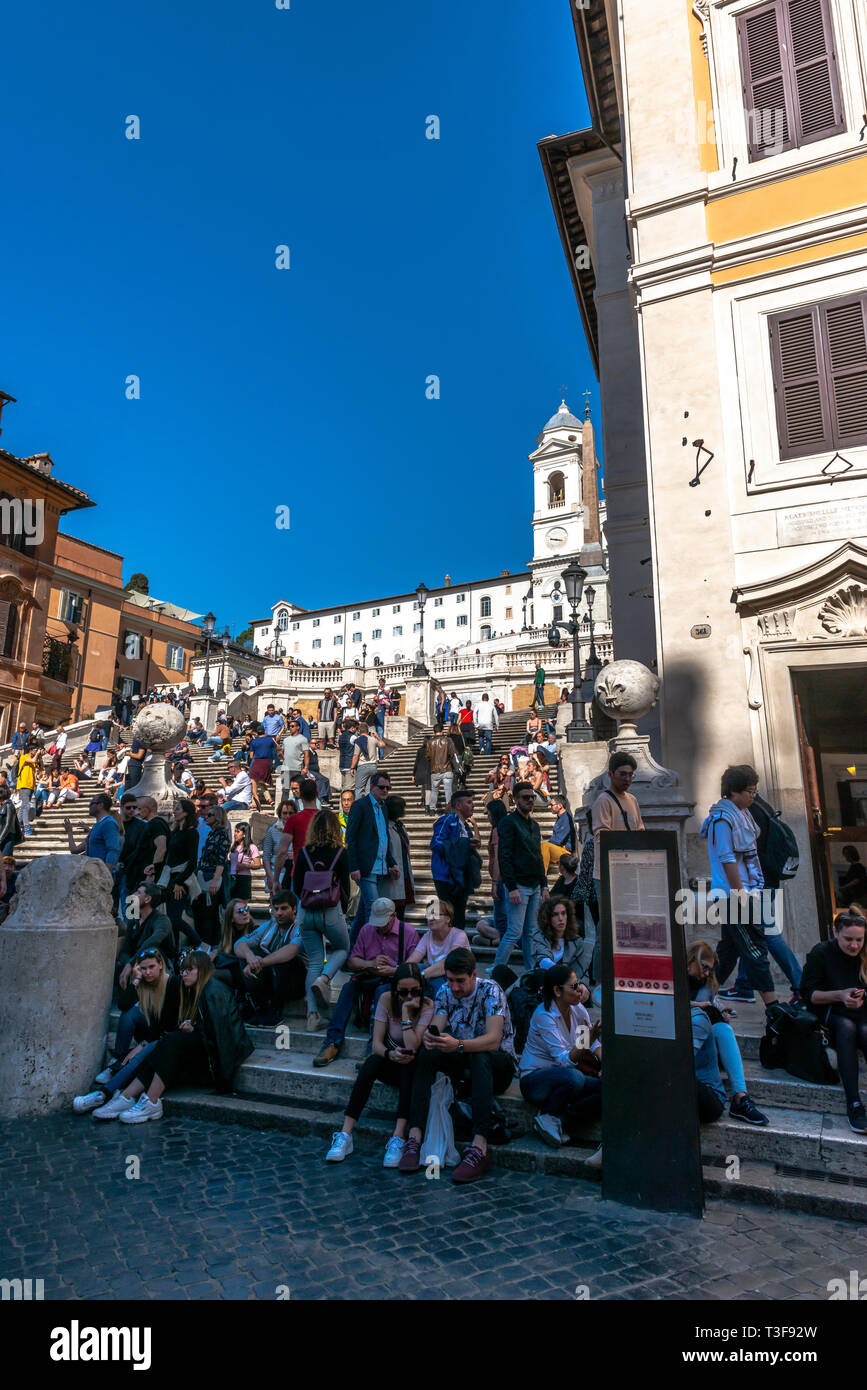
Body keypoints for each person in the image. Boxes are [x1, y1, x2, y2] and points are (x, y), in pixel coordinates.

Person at [398, 947, 517, 1184]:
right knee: (427, 1053)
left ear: (474, 975)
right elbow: (438, 1028)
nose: (455, 987)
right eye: (450, 980)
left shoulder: (491, 991)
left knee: (480, 1054)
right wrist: (433, 1039)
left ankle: (479, 1147)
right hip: (463, 1059)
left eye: (460, 981)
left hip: (498, 1064)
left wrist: (458, 1045)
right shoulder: (444, 992)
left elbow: (493, 1040)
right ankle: (414, 1135)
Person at [92, 951, 253, 1122]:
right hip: (206, 1052)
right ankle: (126, 1096)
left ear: (202, 970)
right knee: (166, 1041)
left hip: (216, 1062)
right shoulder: (200, 989)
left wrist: (223, 1081)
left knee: (172, 1040)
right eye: (182, 970)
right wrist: (194, 1027)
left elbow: (222, 1038)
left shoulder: (214, 991)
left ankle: (151, 1101)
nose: (183, 974)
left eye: (189, 970)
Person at [325, 963, 435, 1166]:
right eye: (403, 992)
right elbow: (376, 1044)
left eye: (415, 991)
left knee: (408, 1062)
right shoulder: (385, 999)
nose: (409, 997)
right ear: (394, 990)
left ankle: (398, 1135)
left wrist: (405, 1015)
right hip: (390, 1058)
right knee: (372, 1062)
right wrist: (389, 1053)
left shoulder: (427, 1006)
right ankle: (345, 1133)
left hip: (412, 1068)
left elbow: (413, 1044)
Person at [700, 765, 778, 1010]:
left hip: (746, 891)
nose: (753, 796)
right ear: (733, 792)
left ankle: (702, 997)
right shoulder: (722, 819)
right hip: (736, 894)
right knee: (755, 948)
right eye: (749, 791)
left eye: (754, 791)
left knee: (729, 951)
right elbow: (727, 858)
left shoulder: (741, 814)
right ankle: (773, 1005)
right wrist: (740, 893)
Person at [73, 947, 182, 1113]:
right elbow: (123, 1005)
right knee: (130, 1013)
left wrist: (143, 1045)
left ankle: (104, 1093)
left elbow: (167, 1025)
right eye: (143, 969)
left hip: (164, 1038)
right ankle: (118, 1060)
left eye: (151, 967)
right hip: (151, 1035)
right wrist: (135, 980)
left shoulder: (172, 983)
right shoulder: (143, 984)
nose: (147, 972)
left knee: (139, 1056)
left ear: (161, 964)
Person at [313, 898, 419, 1067]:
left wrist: (393, 970)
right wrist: (370, 963)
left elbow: (415, 968)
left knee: (382, 992)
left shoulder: (408, 932)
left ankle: (373, 1048)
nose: (379, 927)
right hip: (368, 977)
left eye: (383, 923)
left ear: (394, 916)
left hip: (393, 981)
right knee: (348, 987)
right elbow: (352, 962)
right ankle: (332, 1041)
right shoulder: (367, 929)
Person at [519, 964, 602, 1148]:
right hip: (535, 1080)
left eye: (579, 984)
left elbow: (593, 1044)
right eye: (574, 986)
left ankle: (563, 1122)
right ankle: (549, 1114)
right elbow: (564, 1061)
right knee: (575, 1078)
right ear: (557, 990)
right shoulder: (544, 1016)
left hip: (564, 1078)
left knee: (607, 1089)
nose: (580, 990)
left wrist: (606, 1064)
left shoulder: (577, 1009)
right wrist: (588, 1039)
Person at [687, 941, 768, 1126]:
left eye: (710, 969)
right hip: (683, 1042)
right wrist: (694, 1006)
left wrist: (720, 1012)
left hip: (705, 1049)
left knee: (723, 1029)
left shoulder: (706, 985)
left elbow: (712, 1005)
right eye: (704, 967)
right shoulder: (671, 981)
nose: (706, 973)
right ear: (691, 961)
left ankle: (740, 1097)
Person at [800, 909, 867, 1133]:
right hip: (830, 1011)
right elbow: (808, 995)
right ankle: (854, 1103)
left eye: (859, 940)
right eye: (849, 939)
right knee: (847, 1028)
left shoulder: (865, 953)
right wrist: (840, 995)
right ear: (836, 933)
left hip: (861, 1012)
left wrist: (861, 997)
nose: (855, 946)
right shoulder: (821, 953)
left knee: (865, 1031)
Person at [292, 810, 351, 1031]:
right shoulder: (340, 853)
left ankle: (312, 1016)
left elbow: (297, 886)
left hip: (307, 912)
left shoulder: (304, 852)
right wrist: (342, 911)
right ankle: (325, 979)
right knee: (343, 948)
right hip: (330, 910)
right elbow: (345, 887)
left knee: (315, 960)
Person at [492, 782, 548, 973]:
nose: (530, 800)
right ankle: (497, 969)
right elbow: (504, 855)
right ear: (515, 799)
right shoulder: (508, 822)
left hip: (534, 884)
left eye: (532, 797)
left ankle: (531, 971)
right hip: (519, 885)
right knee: (514, 931)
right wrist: (511, 886)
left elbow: (538, 856)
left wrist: (545, 885)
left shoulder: (534, 825)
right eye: (525, 797)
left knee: (531, 932)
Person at [233, 889, 307, 1025]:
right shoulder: (271, 924)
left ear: (294, 909)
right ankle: (260, 1007)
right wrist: (250, 957)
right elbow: (240, 943)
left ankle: (274, 1010)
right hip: (273, 977)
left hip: (297, 983)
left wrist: (261, 962)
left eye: (284, 908)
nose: (279, 913)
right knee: (249, 952)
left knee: (285, 959)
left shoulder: (302, 927)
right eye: (276, 908)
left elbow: (292, 950)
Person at [344, 769, 399, 946]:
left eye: (388, 788)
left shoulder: (383, 808)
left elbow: (384, 837)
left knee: (361, 916)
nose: (385, 791)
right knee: (374, 912)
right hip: (366, 868)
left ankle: (351, 952)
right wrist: (353, 867)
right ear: (372, 787)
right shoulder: (359, 806)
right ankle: (368, 953)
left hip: (381, 868)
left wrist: (392, 862)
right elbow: (350, 839)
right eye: (382, 787)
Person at [116, 884, 177, 1009]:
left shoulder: (161, 920)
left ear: (148, 899)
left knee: (152, 951)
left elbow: (153, 941)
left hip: (158, 968)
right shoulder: (134, 919)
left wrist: (131, 963)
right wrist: (127, 963)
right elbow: (126, 949)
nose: (133, 895)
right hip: (135, 966)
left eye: (138, 893)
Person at [430, 789, 481, 935]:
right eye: (469, 802)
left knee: (459, 915)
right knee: (449, 916)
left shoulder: (465, 826)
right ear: (458, 805)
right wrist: (464, 844)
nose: (473, 806)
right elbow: (436, 844)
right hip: (446, 876)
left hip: (462, 876)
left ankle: (458, 947)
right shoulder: (447, 820)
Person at [408, 897, 470, 995]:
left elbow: (447, 964)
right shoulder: (427, 936)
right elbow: (412, 960)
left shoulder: (459, 935)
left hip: (456, 979)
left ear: (448, 919)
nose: (430, 918)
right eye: (428, 915)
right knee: (415, 968)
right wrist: (401, 972)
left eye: (435, 914)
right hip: (433, 976)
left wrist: (419, 975)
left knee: (434, 977)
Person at [196, 805, 232, 945]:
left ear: (217, 817)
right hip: (204, 874)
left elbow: (221, 860)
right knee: (205, 913)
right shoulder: (212, 833)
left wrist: (215, 881)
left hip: (211, 877)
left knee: (210, 914)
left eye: (210, 814)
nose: (206, 816)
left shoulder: (221, 834)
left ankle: (212, 944)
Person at [273, 776, 319, 886]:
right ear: (317, 795)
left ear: (301, 796)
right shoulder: (326, 818)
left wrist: (275, 880)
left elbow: (281, 852)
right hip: (323, 873)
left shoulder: (294, 820)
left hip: (300, 872)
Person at [529, 896, 584, 974]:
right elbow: (543, 960)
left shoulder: (577, 941)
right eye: (555, 914)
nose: (560, 918)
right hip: (543, 980)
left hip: (568, 983)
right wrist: (564, 974)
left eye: (563, 913)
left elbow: (580, 970)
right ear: (547, 918)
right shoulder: (539, 936)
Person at [63, 793, 121, 866]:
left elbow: (113, 851)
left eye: (91, 803)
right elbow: (75, 850)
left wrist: (106, 874)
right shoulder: (96, 827)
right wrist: (69, 831)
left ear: (100, 805)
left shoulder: (109, 823)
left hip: (100, 874)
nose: (89, 806)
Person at [385, 794, 415, 921]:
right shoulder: (386, 827)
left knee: (402, 910)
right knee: (392, 911)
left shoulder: (400, 826)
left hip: (404, 873)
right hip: (393, 874)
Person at [425, 722, 458, 816]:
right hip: (447, 768)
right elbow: (453, 753)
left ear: (434, 731)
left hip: (434, 770)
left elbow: (427, 756)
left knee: (434, 790)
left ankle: (432, 809)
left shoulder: (429, 742)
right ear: (442, 731)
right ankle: (449, 808)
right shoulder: (448, 740)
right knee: (448, 791)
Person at [262, 799, 292, 894]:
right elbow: (266, 856)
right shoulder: (272, 830)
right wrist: (270, 876)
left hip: (293, 873)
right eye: (285, 813)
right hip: (277, 873)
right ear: (280, 814)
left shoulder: (299, 830)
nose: (288, 816)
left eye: (291, 813)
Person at [541, 794, 576, 875]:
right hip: (559, 849)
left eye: (551, 805)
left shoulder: (566, 818)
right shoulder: (561, 818)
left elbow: (558, 840)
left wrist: (547, 842)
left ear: (560, 805)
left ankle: (542, 876)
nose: (549, 807)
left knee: (545, 846)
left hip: (566, 852)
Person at [350, 721, 384, 798]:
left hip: (362, 766)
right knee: (369, 790)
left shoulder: (358, 740)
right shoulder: (373, 739)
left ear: (359, 731)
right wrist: (377, 736)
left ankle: (358, 807)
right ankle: (370, 806)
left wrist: (352, 767)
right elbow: (383, 745)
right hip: (373, 766)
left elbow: (355, 755)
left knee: (359, 789)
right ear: (368, 730)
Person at [229, 822, 260, 900]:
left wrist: (244, 865)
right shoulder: (233, 847)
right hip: (231, 877)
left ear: (244, 834)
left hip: (243, 878)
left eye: (238, 831)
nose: (235, 834)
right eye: (235, 831)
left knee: (242, 904)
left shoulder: (252, 847)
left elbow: (258, 864)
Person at [14, 744, 38, 838]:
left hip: (30, 786)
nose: (36, 751)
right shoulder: (24, 757)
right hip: (23, 785)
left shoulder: (33, 759)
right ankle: (27, 828)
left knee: (23, 807)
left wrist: (40, 756)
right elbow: (32, 760)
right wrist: (37, 754)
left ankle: (15, 823)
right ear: (31, 750)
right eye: (35, 750)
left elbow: (39, 767)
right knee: (26, 806)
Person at [412, 734, 432, 812]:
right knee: (428, 788)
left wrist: (413, 774)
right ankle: (427, 805)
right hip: (428, 771)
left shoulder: (420, 750)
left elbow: (416, 762)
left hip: (420, 771)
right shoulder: (431, 751)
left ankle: (423, 801)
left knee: (423, 787)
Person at [475, 692, 499, 756]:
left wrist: (476, 724)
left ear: (482, 698)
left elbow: (474, 714)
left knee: (481, 737)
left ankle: (482, 748)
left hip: (480, 723)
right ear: (488, 699)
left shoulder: (478, 705)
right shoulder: (491, 705)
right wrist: (497, 726)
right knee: (488, 739)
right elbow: (496, 716)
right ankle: (487, 753)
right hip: (489, 724)